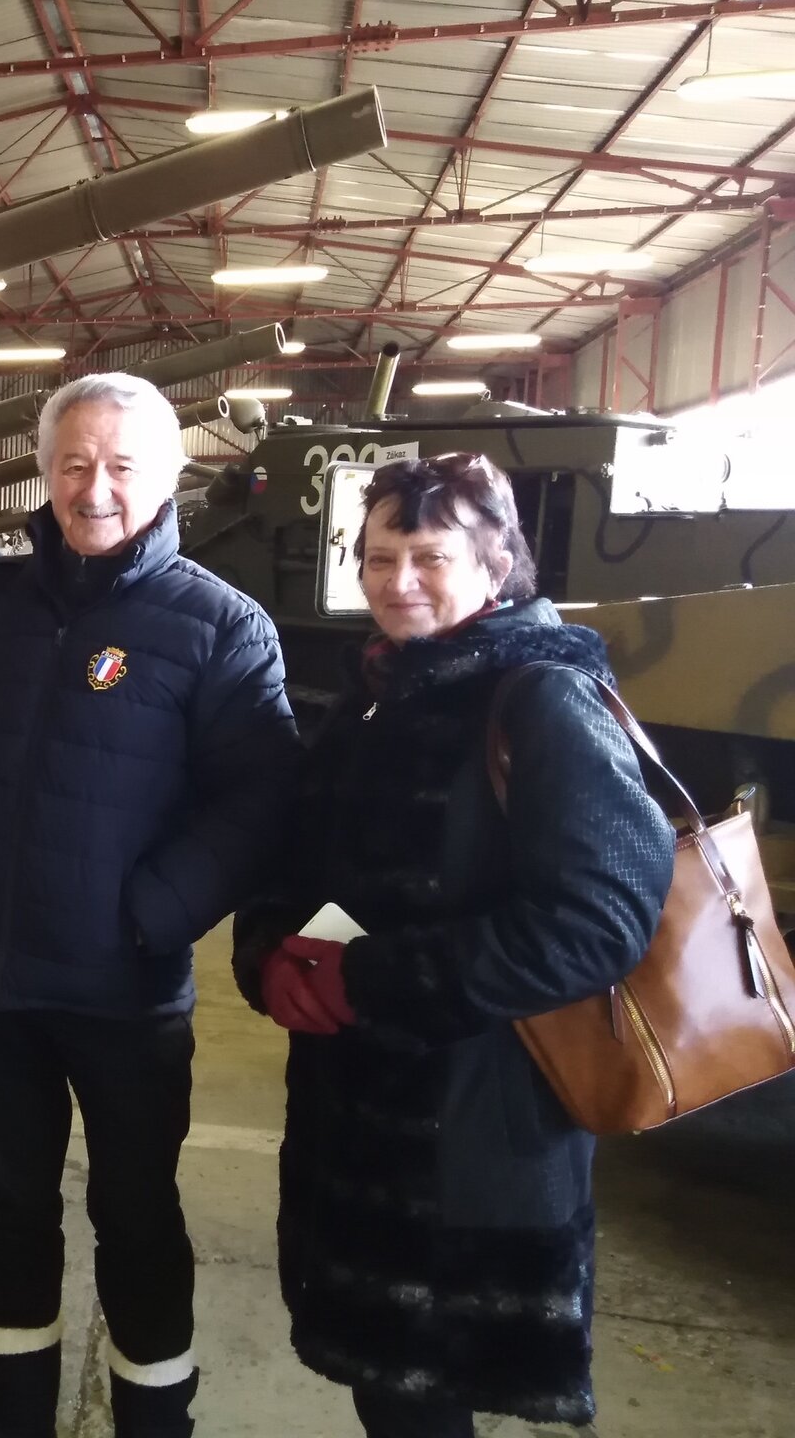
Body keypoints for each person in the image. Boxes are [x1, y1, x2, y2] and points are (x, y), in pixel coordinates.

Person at [232, 453, 675, 1438]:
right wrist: (269, 947)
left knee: (424, 1397)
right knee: (388, 1389)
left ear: (495, 564)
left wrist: (370, 979)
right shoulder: (382, 694)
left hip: (471, 1128)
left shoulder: (542, 699)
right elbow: (305, 855)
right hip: (359, 1115)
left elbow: (599, 919)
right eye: (379, 557)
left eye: (429, 557)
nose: (399, 582)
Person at [0, 373, 300, 1438]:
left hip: (126, 992)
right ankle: (17, 1413)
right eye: (74, 463)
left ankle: (155, 1418)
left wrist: (151, 914)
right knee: (10, 1203)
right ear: (45, 471)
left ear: (169, 475)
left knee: (137, 1213)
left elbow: (259, 800)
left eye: (122, 465)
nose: (95, 488)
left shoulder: (219, 623)